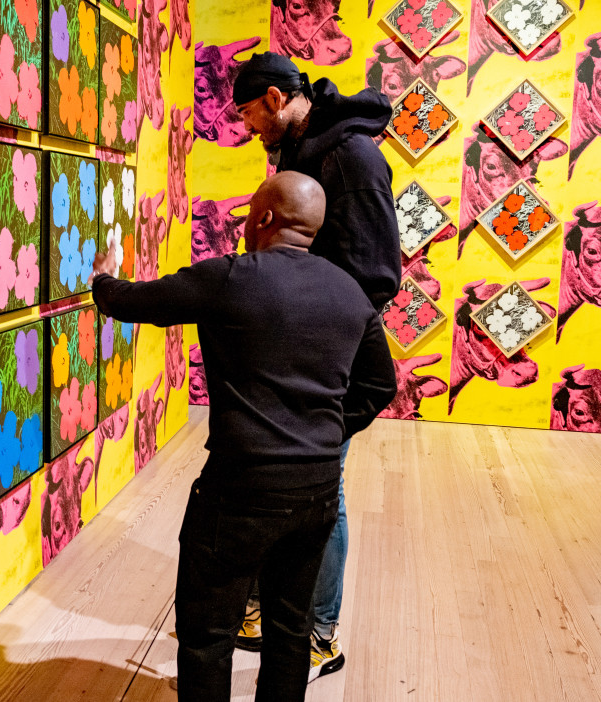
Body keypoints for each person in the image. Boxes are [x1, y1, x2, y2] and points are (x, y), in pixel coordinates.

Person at [91, 172, 397, 701]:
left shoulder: (230, 278)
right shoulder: (349, 292)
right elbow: (379, 384)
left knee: (208, 635)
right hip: (317, 490)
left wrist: (103, 279)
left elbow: (139, 302)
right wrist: (323, 432)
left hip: (239, 489)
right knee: (290, 630)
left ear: (265, 218)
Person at [230, 51, 402, 679]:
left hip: (335, 349)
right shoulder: (303, 150)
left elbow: (378, 272)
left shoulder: (350, 157)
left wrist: (322, 321)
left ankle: (319, 634)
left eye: (249, 111)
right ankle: (266, 607)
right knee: (280, 476)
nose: (247, 126)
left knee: (322, 486)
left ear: (276, 99)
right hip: (296, 342)